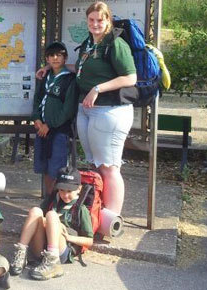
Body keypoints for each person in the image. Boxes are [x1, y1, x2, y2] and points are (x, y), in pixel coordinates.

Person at [74, 1, 137, 215]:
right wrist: (52, 66)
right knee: (96, 165)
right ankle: (97, 212)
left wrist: (98, 89)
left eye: (100, 20)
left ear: (108, 20)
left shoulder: (115, 44)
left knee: (109, 167)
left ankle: (112, 218)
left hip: (110, 110)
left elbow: (130, 77)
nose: (95, 24)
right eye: (91, 20)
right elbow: (82, 69)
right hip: (87, 109)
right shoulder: (89, 43)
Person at [9, 168, 94, 280]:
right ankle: (21, 253)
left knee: (51, 215)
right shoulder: (52, 200)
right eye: (62, 190)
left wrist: (69, 237)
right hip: (42, 248)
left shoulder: (81, 209)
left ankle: (53, 264)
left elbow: (89, 241)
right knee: (35, 211)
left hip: (60, 252)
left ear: (79, 189)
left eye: (69, 191)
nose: (65, 194)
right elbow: (37, 220)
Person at [31, 41, 78, 195]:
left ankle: (58, 200)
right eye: (52, 55)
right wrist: (37, 118)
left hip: (59, 131)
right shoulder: (46, 76)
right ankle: (48, 198)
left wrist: (49, 125)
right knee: (44, 167)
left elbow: (68, 109)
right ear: (47, 59)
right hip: (42, 130)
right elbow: (38, 99)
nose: (55, 58)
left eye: (59, 55)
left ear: (65, 58)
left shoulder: (69, 79)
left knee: (57, 169)